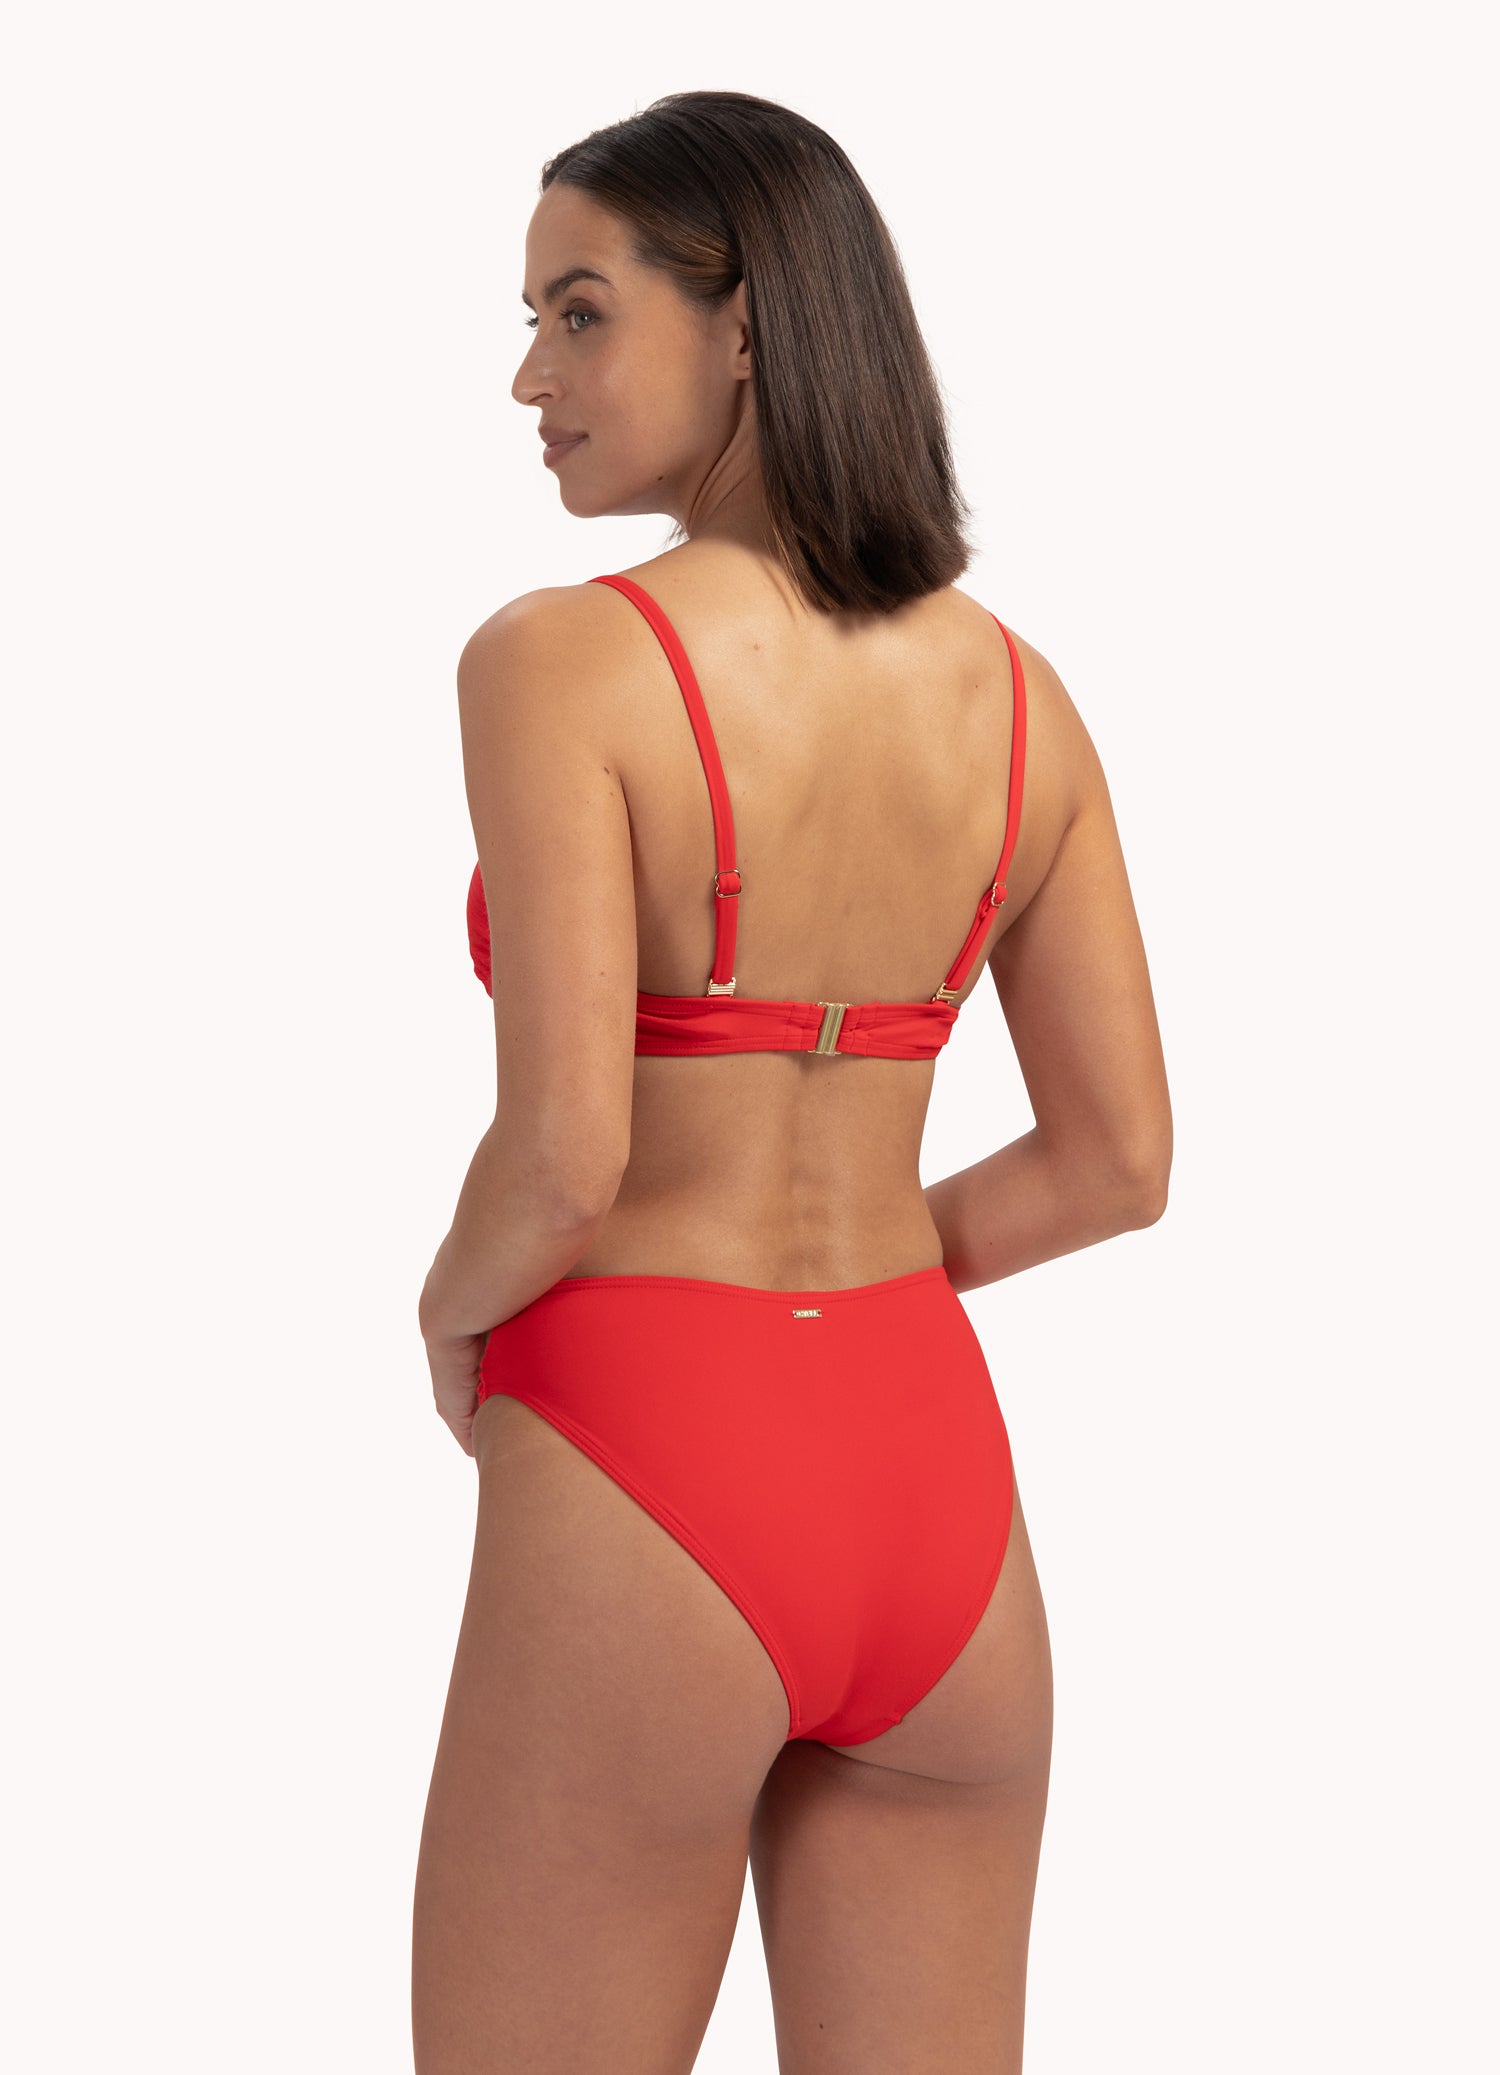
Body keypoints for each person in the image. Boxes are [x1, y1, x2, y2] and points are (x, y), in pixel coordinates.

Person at [411, 88, 1171, 2075]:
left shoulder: (557, 662)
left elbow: (564, 1156)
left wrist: (451, 1311)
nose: (529, 378)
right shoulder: (1022, 698)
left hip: (647, 1453)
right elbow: (1118, 1161)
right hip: (934, 1489)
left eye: (580, 313)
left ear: (743, 324)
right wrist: (871, 1267)